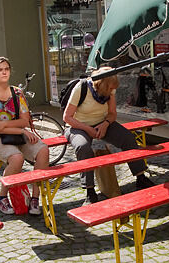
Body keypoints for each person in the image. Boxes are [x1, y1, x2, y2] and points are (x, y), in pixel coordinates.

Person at [63, 68, 154, 205]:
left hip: (101, 123)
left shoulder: (110, 90)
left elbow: (112, 114)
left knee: (128, 138)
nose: (113, 90)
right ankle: (90, 191)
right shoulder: (81, 88)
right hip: (77, 126)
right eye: (110, 88)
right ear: (102, 85)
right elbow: (67, 117)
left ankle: (140, 177)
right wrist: (87, 128)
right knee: (83, 147)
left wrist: (105, 124)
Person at [0, 57, 48, 215]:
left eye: (6, 69)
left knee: (43, 150)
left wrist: (7, 125)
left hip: (18, 134)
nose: (4, 72)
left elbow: (24, 120)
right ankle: (2, 197)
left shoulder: (17, 93)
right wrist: (20, 129)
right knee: (16, 157)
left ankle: (34, 198)